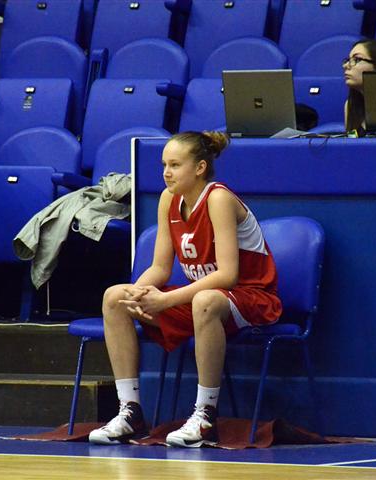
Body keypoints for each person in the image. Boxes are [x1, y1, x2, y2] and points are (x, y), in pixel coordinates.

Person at [88, 131, 282, 448]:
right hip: (206, 301)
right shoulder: (168, 199)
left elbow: (227, 275)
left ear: (200, 167)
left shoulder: (218, 198)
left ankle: (205, 416)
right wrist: (139, 293)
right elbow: (160, 268)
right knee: (115, 298)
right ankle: (130, 412)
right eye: (164, 165)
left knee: (204, 300)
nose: (166, 172)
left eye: (175, 165)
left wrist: (165, 300)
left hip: (253, 298)